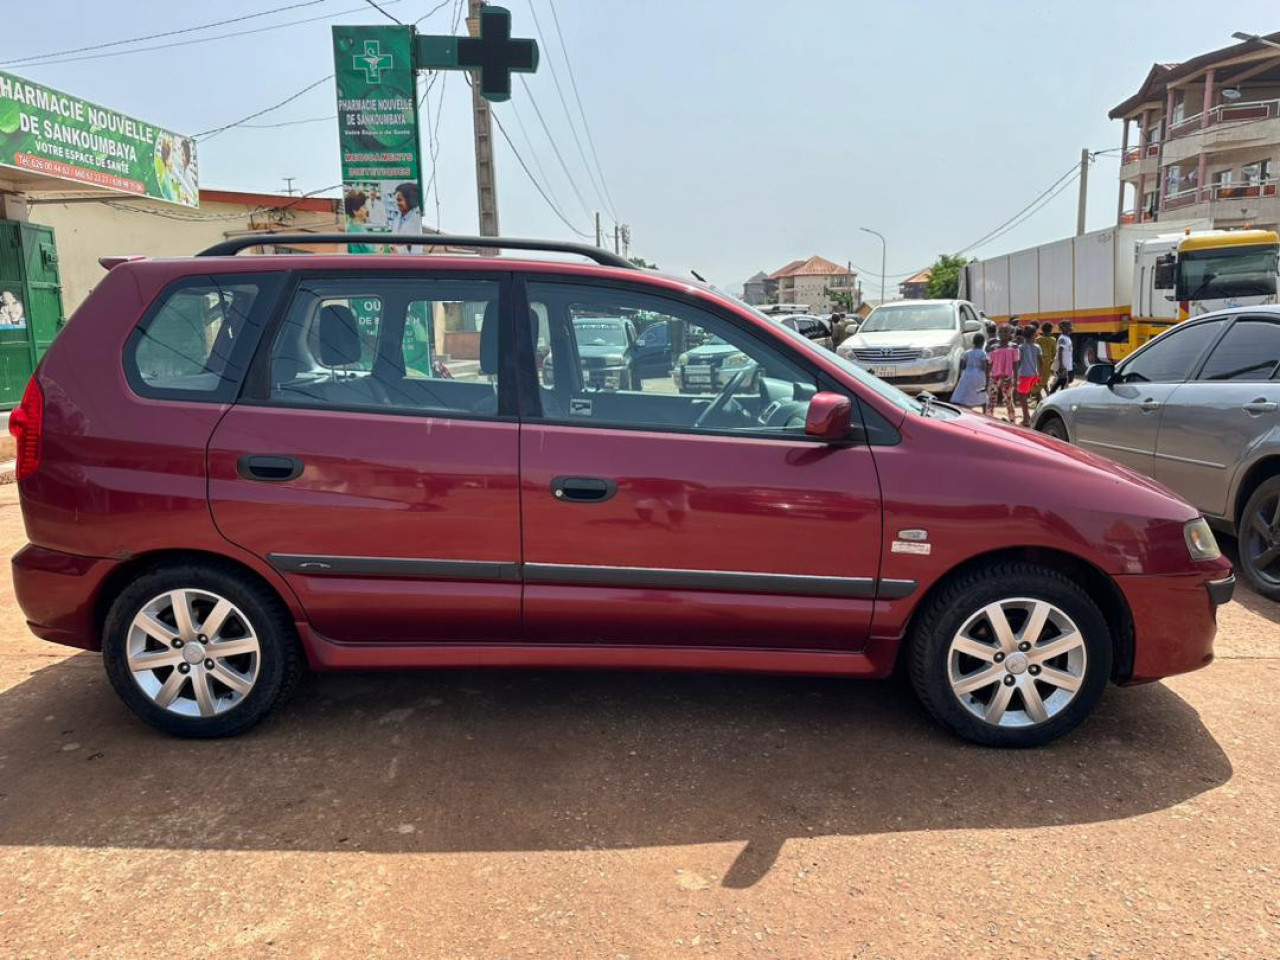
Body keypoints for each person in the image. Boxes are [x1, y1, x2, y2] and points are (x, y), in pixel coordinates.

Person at [986, 324, 1017, 419]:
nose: (1003, 333)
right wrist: (987, 377)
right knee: (991, 400)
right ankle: (989, 419)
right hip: (994, 377)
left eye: (1006, 331)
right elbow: (989, 364)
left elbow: (1015, 363)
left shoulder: (1014, 347)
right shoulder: (993, 348)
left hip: (1008, 377)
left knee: (1008, 399)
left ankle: (1012, 419)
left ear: (1010, 333)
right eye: (1001, 331)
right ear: (998, 333)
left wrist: (1016, 377)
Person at [951, 333, 988, 410]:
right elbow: (983, 366)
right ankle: (984, 410)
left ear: (973, 342)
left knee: (966, 390)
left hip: (967, 373)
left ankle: (967, 406)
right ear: (982, 343)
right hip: (979, 374)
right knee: (981, 392)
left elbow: (963, 365)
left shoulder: (967, 353)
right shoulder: (983, 353)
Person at [1015, 327, 1043, 426]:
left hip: (1024, 374)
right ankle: (1029, 417)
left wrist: (1015, 375)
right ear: (1033, 335)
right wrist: (1040, 374)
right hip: (1033, 375)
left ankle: (1026, 418)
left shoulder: (1021, 347)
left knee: (1022, 397)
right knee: (1026, 395)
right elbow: (1041, 362)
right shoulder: (1037, 347)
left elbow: (1018, 362)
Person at [1050, 320, 1075, 393]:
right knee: (1063, 382)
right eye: (1068, 326)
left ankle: (1054, 394)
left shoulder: (1067, 338)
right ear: (1063, 328)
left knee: (1063, 382)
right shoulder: (1062, 338)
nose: (1070, 328)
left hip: (1065, 365)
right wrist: (1061, 365)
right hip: (1061, 365)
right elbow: (1060, 351)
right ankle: (1052, 394)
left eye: (1070, 326)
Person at [1035, 322, 1056, 401]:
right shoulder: (1053, 340)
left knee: (1039, 381)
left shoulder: (1038, 340)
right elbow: (1054, 353)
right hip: (1048, 363)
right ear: (1051, 331)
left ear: (1042, 330)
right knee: (1045, 380)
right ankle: (1048, 396)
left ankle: (1039, 398)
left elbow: (1036, 352)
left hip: (1039, 362)